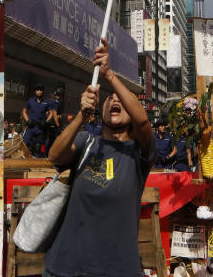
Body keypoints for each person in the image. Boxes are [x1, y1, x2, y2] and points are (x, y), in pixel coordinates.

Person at [44, 39, 154, 277]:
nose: (115, 100)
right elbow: (54, 156)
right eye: (109, 98)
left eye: (121, 100)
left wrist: (109, 75)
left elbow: (143, 122)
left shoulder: (138, 153)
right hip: (65, 268)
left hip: (117, 270)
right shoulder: (86, 141)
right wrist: (81, 118)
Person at [21, 83, 51, 157]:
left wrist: (46, 122)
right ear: (35, 91)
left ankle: (37, 164)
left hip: (41, 128)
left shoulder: (46, 102)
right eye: (38, 90)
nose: (39, 91)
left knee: (39, 148)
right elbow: (24, 111)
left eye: (41, 90)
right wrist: (28, 120)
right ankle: (22, 161)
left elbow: (51, 114)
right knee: (25, 144)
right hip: (31, 126)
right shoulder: (30, 101)